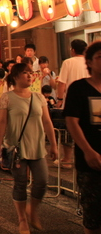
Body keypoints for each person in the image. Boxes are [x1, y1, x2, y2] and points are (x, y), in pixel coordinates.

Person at [0, 63, 58, 234]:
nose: (29, 76)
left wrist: (53, 144)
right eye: (25, 73)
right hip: (16, 148)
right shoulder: (6, 98)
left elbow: (47, 122)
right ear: (15, 77)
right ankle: (22, 219)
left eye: (31, 73)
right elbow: (1, 123)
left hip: (37, 147)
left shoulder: (39, 97)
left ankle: (32, 210)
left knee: (42, 181)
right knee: (20, 183)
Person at [65, 41, 101, 234]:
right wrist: (88, 151)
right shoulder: (79, 88)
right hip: (90, 163)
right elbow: (71, 121)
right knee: (93, 217)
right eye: (100, 57)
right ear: (89, 61)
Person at [56, 38, 89, 166]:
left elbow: (62, 83)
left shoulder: (68, 62)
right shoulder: (89, 62)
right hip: (87, 102)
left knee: (68, 130)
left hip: (71, 101)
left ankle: (67, 158)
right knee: (85, 129)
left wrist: (59, 99)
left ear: (73, 50)